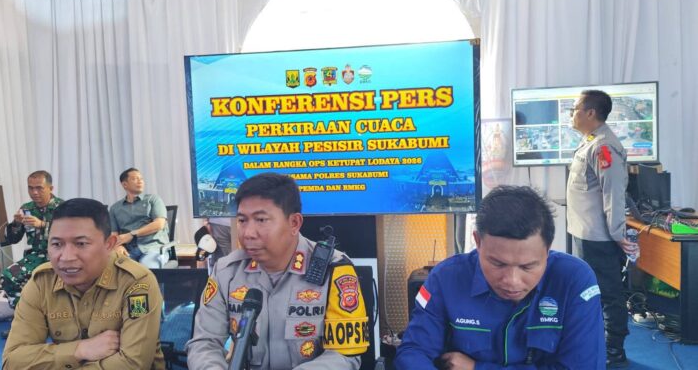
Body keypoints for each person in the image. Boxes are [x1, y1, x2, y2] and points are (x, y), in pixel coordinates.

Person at [396, 185, 605, 369]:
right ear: (477, 242)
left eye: (527, 266)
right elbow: (414, 353)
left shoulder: (574, 281)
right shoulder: (445, 279)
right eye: (498, 264)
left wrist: (477, 368)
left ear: (548, 248)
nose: (512, 281)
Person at [185, 172, 369, 369]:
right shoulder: (226, 272)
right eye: (242, 220)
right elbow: (205, 344)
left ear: (294, 223)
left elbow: (344, 356)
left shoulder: (334, 270)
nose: (248, 233)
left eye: (261, 220)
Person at [2, 198, 165, 369]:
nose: (66, 257)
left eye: (81, 244)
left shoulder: (136, 284)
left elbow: (133, 364)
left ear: (109, 244)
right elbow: (12, 361)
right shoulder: (42, 283)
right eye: (57, 244)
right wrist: (79, 350)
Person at [567, 90, 636, 367]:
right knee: (589, 291)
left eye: (575, 109)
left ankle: (614, 349)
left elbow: (613, 194)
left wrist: (618, 234)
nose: (572, 114)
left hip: (599, 236)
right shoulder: (591, 140)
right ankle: (596, 342)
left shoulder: (604, 146)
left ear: (590, 112)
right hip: (585, 232)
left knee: (608, 293)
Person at [1, 170, 64, 308]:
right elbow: (12, 240)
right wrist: (16, 224)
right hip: (36, 256)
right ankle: (24, 314)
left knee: (58, 286)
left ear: (50, 188)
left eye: (39, 188)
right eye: (31, 188)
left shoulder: (63, 208)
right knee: (8, 276)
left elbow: (70, 232)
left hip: (61, 256)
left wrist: (42, 225)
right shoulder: (26, 209)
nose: (34, 192)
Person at [109, 168, 170, 268]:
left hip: (153, 248)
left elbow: (159, 224)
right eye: (135, 179)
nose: (140, 181)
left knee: (146, 270)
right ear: (125, 184)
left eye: (141, 178)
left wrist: (132, 234)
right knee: (112, 269)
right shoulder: (115, 208)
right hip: (128, 251)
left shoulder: (153, 200)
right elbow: (114, 234)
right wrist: (118, 246)